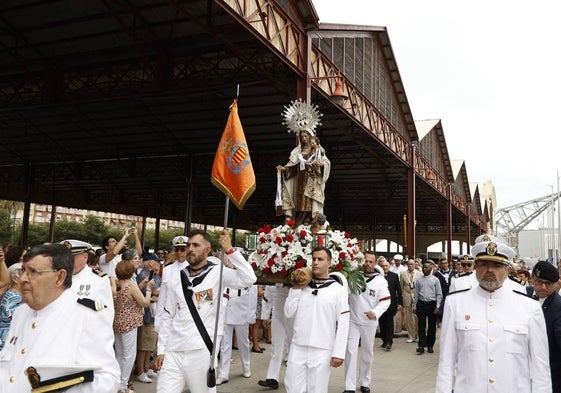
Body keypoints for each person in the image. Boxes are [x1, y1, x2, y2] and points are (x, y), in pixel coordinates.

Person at [0, 243, 119, 392]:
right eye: (23, 270)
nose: (23, 278)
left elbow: (107, 379)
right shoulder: (21, 312)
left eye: (33, 272)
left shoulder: (87, 316)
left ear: (59, 277)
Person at [436, 240, 551, 392]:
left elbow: (540, 366)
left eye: (497, 265)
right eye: (484, 264)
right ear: (475, 267)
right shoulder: (455, 303)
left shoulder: (530, 307)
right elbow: (446, 361)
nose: (490, 270)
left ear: (507, 270)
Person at [154, 229, 256, 393]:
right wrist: (161, 349)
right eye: (189, 245)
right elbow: (168, 314)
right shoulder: (179, 276)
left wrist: (230, 250)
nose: (190, 249)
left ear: (207, 250)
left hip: (201, 350)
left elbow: (249, 278)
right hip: (173, 350)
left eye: (196, 245)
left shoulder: (218, 272)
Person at [283, 246, 350, 393]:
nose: (315, 262)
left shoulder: (338, 290)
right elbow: (288, 313)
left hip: (322, 349)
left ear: (329, 263)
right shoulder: (301, 287)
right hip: (298, 346)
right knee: (292, 387)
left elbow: (344, 323)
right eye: (313, 259)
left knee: (317, 389)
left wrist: (338, 353)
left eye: (320, 259)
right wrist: (295, 289)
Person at [343, 251, 390, 393]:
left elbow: (386, 301)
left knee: (367, 353)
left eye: (370, 262)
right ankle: (349, 386)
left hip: (370, 322)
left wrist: (375, 312)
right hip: (353, 320)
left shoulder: (381, 280)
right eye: (365, 261)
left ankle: (365, 382)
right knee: (350, 352)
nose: (367, 264)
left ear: (375, 263)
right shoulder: (352, 276)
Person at [113, 258, 154, 393]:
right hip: (130, 324)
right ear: (130, 272)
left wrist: (141, 284)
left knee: (119, 354)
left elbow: (130, 298)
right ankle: (123, 385)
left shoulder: (116, 284)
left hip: (118, 322)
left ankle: (117, 383)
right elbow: (144, 303)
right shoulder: (131, 286)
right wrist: (148, 290)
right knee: (129, 355)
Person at [276, 129, 331, 224]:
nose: (304, 139)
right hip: (300, 178)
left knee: (310, 198)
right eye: (302, 137)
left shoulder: (317, 149)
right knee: (300, 199)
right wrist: (284, 169)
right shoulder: (298, 151)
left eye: (306, 136)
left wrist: (320, 165)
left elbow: (326, 162)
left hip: (311, 178)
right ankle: (299, 219)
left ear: (310, 136)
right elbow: (293, 166)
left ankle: (309, 219)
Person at [60, 239, 114, 323]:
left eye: (71, 258)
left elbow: (105, 314)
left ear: (85, 257)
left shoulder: (99, 280)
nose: (67, 262)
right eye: (64, 258)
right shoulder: (56, 276)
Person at [530, 261, 561, 392]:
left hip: (550, 374)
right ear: (532, 279)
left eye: (548, 284)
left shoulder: (558, 307)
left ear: (556, 284)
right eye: (539, 282)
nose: (543, 287)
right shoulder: (522, 296)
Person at [216, 285, 256, 385]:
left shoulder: (246, 275)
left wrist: (251, 316)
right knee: (224, 345)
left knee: (243, 343)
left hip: (242, 313)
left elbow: (253, 297)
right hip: (226, 313)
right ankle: (223, 374)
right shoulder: (226, 272)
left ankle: (246, 367)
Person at [258, 283, 294, 390]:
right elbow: (267, 299)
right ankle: (272, 378)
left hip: (293, 317)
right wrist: (265, 317)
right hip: (277, 316)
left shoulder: (295, 282)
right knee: (276, 347)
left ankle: (293, 377)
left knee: (294, 347)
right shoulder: (271, 283)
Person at [134, 252, 162, 384]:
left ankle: (147, 368)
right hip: (146, 315)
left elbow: (160, 292)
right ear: (150, 263)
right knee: (143, 346)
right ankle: (141, 371)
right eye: (157, 261)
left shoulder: (155, 276)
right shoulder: (144, 275)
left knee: (150, 345)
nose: (159, 264)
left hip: (155, 315)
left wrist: (157, 295)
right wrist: (156, 295)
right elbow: (157, 292)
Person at [412, 262, 442, 354]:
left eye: (426, 268)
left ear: (430, 269)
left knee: (432, 326)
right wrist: (414, 305)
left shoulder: (435, 280)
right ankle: (421, 345)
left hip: (432, 305)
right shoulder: (419, 280)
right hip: (421, 304)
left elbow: (439, 294)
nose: (424, 269)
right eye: (423, 267)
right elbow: (416, 294)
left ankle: (430, 345)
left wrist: (437, 306)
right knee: (421, 325)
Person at [377, 256, 403, 351]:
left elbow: (398, 290)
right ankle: (384, 340)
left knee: (389, 322)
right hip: (380, 304)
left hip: (391, 303)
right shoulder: (378, 276)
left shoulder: (394, 276)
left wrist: (400, 303)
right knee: (382, 322)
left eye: (386, 266)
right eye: (383, 266)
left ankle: (389, 341)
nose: (385, 268)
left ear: (389, 266)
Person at [0, 262, 22, 350]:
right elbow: (15, 317)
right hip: (7, 341)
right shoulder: (13, 297)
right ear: (15, 279)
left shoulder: (14, 295)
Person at [400, 258, 420, 343]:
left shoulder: (420, 274)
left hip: (417, 297)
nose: (410, 265)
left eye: (412, 264)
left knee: (417, 317)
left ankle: (418, 335)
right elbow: (401, 286)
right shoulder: (403, 274)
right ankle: (411, 336)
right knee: (408, 318)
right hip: (407, 297)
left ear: (415, 265)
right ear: (407, 265)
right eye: (409, 264)